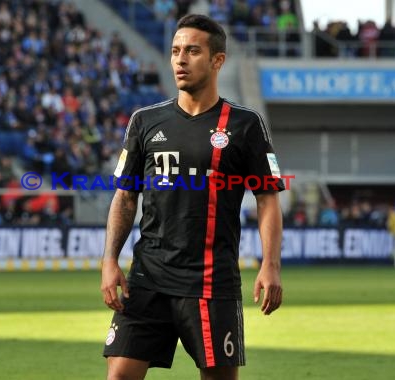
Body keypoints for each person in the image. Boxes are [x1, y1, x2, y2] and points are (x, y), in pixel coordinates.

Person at [100, 14, 285, 380]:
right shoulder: (145, 122)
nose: (180, 59)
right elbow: (125, 197)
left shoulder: (244, 125)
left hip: (211, 279)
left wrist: (271, 264)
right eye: (175, 51)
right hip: (148, 275)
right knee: (119, 374)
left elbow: (267, 199)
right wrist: (109, 260)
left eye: (193, 51)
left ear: (217, 60)